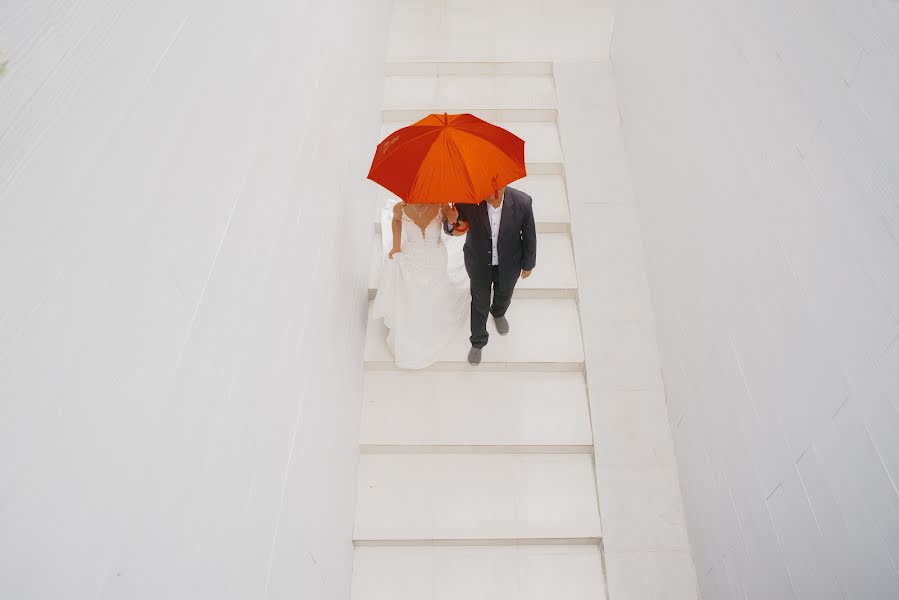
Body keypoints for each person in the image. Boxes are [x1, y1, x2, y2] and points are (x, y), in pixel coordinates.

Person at [445, 185, 537, 365]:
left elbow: (529, 236)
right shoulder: (468, 202)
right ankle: (478, 341)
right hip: (479, 263)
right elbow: (453, 230)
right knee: (479, 302)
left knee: (505, 293)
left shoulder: (523, 202)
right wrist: (452, 222)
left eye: (493, 189)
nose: (487, 193)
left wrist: (528, 264)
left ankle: (498, 312)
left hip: (510, 263)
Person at [371, 202, 469, 369]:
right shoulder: (400, 208)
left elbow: (455, 231)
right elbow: (395, 221)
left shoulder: (442, 207)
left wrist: (454, 221)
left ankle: (431, 322)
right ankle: (411, 331)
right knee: (412, 294)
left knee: (432, 293)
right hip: (411, 257)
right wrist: (395, 246)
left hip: (435, 258)